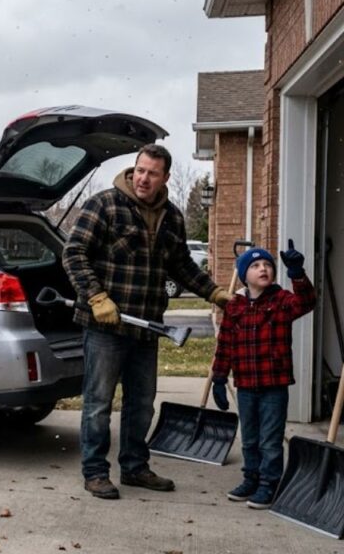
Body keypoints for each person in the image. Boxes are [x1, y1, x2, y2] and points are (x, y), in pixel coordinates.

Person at [62, 143, 232, 500]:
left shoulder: (172, 217)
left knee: (142, 403)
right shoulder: (105, 204)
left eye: (152, 173)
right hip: (105, 326)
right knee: (98, 402)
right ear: (132, 169)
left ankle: (135, 467)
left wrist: (215, 293)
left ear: (164, 177)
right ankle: (94, 472)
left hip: (147, 326)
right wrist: (95, 296)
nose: (143, 178)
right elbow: (74, 252)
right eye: (140, 170)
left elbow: (182, 265)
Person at [211, 241, 315, 509]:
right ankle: (251, 478)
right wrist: (220, 378)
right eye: (255, 265)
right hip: (245, 384)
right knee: (250, 437)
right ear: (244, 274)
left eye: (268, 265)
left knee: (270, 439)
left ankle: (269, 483)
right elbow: (225, 345)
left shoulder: (281, 301)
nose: (263, 269)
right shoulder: (235, 307)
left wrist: (297, 274)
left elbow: (306, 302)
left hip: (274, 385)